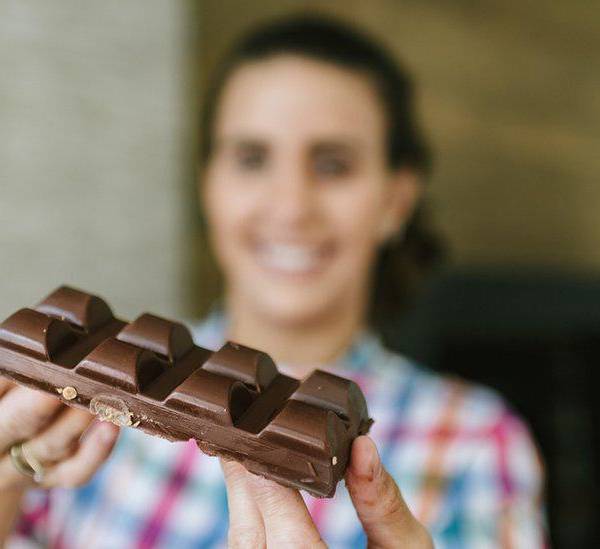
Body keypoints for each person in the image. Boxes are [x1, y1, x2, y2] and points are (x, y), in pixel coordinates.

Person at [1, 15, 546, 548]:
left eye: (333, 165)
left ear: (396, 200)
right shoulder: (75, 406)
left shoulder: (474, 440)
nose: (290, 207)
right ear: (208, 183)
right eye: (252, 158)